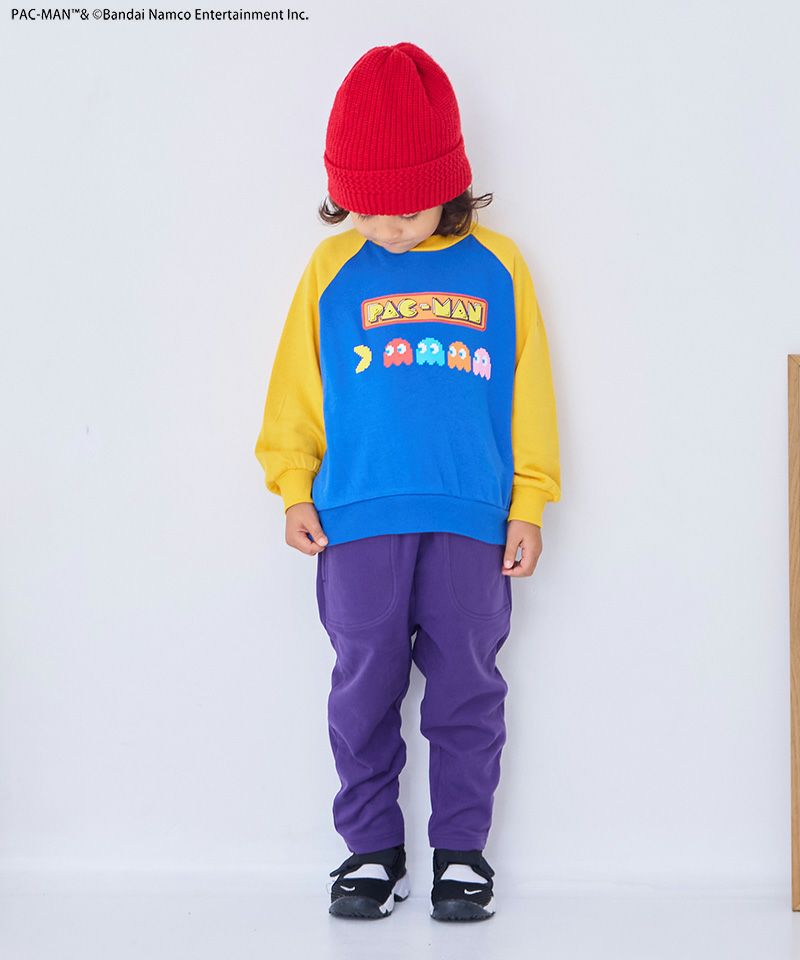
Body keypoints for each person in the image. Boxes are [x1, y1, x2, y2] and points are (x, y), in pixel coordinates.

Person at [254, 41, 561, 922]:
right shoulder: (331, 269)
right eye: (368, 209)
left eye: (409, 207)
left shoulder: (499, 267)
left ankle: (462, 853)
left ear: (451, 182)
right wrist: (293, 484)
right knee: (363, 688)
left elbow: (529, 391)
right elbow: (299, 385)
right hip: (355, 521)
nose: (388, 227)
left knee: (468, 690)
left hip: (472, 521)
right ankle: (370, 851)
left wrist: (530, 500)